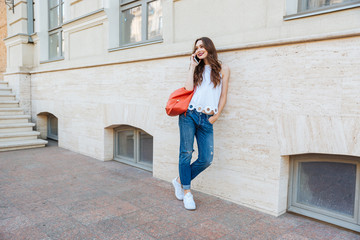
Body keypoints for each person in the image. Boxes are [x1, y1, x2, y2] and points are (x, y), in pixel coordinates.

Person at [172, 37, 230, 210]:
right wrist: (192, 67)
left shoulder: (223, 69)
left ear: (209, 47)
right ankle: (187, 193)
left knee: (206, 159)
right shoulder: (196, 69)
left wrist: (216, 116)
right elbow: (188, 89)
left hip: (207, 118)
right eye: (197, 47)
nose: (199, 49)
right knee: (186, 153)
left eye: (202, 46)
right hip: (188, 114)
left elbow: (223, 95)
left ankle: (180, 180)